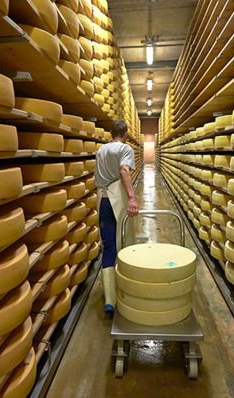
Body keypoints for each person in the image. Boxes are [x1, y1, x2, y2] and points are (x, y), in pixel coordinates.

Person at [95, 119, 138, 315]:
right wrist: (131, 197)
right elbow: (124, 171)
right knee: (124, 242)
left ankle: (109, 300)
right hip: (117, 199)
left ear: (110, 133)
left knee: (108, 246)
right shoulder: (125, 149)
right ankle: (125, 290)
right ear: (126, 134)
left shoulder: (101, 150)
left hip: (102, 200)